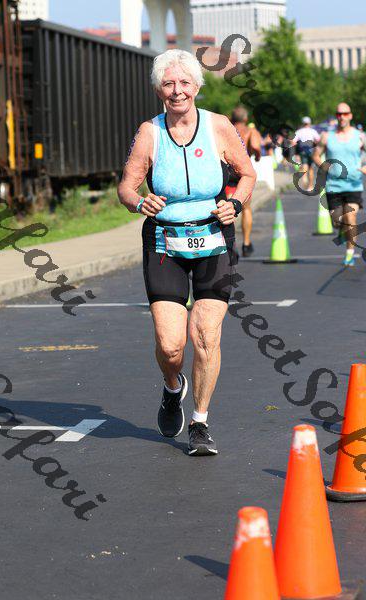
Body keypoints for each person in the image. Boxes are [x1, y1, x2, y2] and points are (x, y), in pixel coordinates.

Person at [118, 49, 256, 456]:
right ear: (158, 89)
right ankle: (172, 386)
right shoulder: (150, 132)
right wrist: (138, 202)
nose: (177, 90)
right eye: (168, 83)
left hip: (213, 238)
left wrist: (236, 203)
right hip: (165, 242)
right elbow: (126, 186)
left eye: (184, 83)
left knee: (206, 335)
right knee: (171, 345)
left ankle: (199, 422)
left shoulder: (219, 126)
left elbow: (247, 173)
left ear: (197, 86)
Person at [313, 102, 366, 266]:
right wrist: (324, 167)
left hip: (353, 185)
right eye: (339, 114)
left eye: (345, 114)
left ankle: (349, 254)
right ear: (336, 116)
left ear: (350, 115)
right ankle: (343, 231)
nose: (342, 117)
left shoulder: (360, 136)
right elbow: (316, 155)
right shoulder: (327, 136)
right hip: (334, 186)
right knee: (338, 221)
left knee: (351, 216)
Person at [225, 106, 262, 257]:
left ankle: (231, 245)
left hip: (227, 172)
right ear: (246, 119)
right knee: (246, 208)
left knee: (228, 209)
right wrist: (257, 155)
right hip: (242, 174)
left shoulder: (226, 129)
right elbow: (255, 146)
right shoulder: (250, 131)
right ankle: (246, 243)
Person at [294, 117, 320, 192]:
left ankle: (304, 178)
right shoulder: (313, 131)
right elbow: (318, 140)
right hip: (311, 150)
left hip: (302, 150)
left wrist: (296, 152)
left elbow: (293, 141)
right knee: (311, 168)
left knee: (304, 165)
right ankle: (310, 186)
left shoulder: (299, 131)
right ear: (309, 123)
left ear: (302, 123)